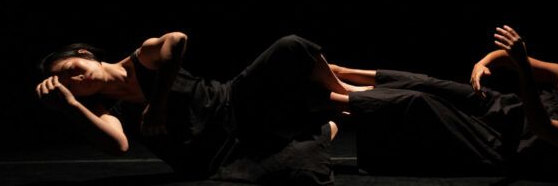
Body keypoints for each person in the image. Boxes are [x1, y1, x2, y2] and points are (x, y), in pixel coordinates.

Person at [35, 32, 368, 185]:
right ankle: (326, 125)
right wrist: (69, 107)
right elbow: (117, 145)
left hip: (232, 104)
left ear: (83, 53)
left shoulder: (140, 58)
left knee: (290, 47)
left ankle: (348, 92)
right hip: (218, 155)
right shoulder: (109, 110)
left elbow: (176, 40)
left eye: (70, 67)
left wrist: (158, 105)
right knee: (299, 171)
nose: (75, 78)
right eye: (68, 84)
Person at [328, 25, 558, 178]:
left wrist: (523, 68)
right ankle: (340, 74)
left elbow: (543, 128)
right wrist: (484, 63)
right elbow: (509, 58)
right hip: (500, 107)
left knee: (420, 103)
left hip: (500, 144)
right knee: (428, 83)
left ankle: (331, 98)